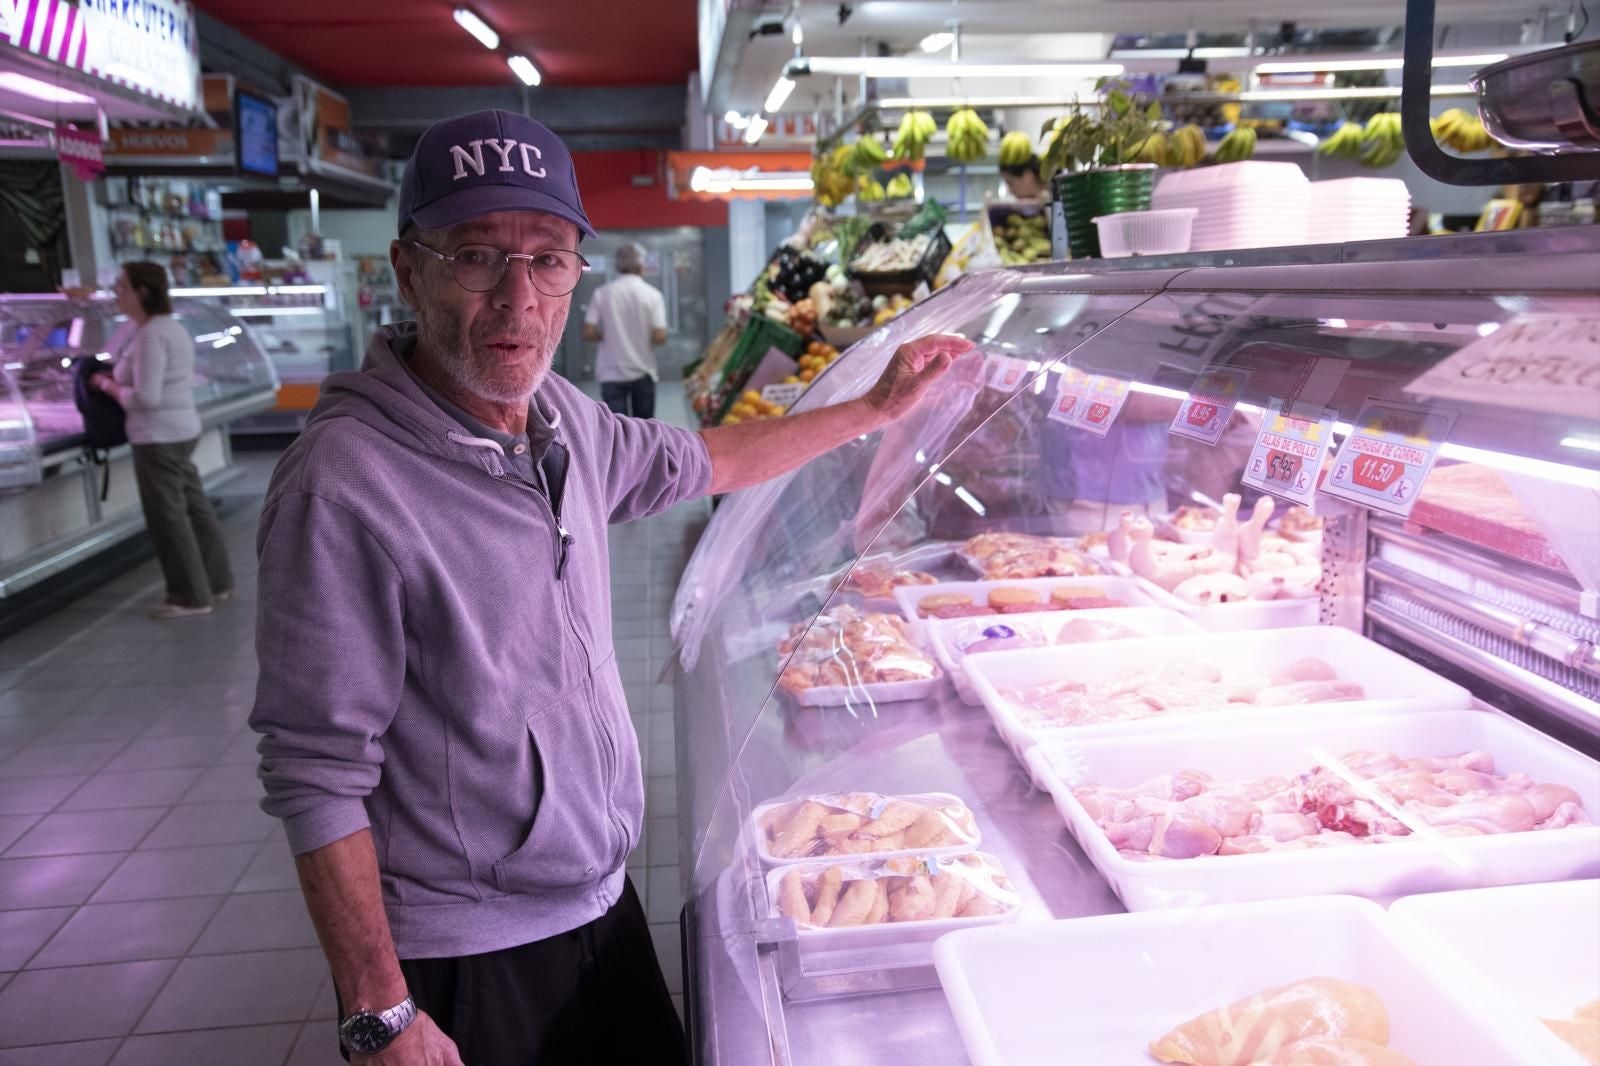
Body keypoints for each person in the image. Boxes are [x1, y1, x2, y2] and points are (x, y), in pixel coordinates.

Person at [248, 108, 971, 1066]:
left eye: (548, 259)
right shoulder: (343, 484)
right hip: (468, 948)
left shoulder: (559, 419)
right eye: (476, 256)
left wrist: (872, 410)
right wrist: (381, 1012)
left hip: (595, 898)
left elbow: (707, 456)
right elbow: (316, 773)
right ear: (407, 268)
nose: (518, 298)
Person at [92, 261, 233, 619]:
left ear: (142, 291)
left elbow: (146, 397)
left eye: (121, 287)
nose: (116, 294)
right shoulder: (167, 328)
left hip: (158, 435)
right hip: (180, 429)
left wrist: (107, 386)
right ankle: (217, 582)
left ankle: (189, 596)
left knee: (168, 518)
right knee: (194, 508)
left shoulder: (152, 334)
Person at [582, 240, 666, 418]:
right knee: (644, 431)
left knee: (616, 432)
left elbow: (588, 332)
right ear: (641, 266)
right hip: (643, 371)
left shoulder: (602, 293)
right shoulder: (653, 295)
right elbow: (660, 336)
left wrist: (607, 334)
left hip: (610, 373)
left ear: (617, 266)